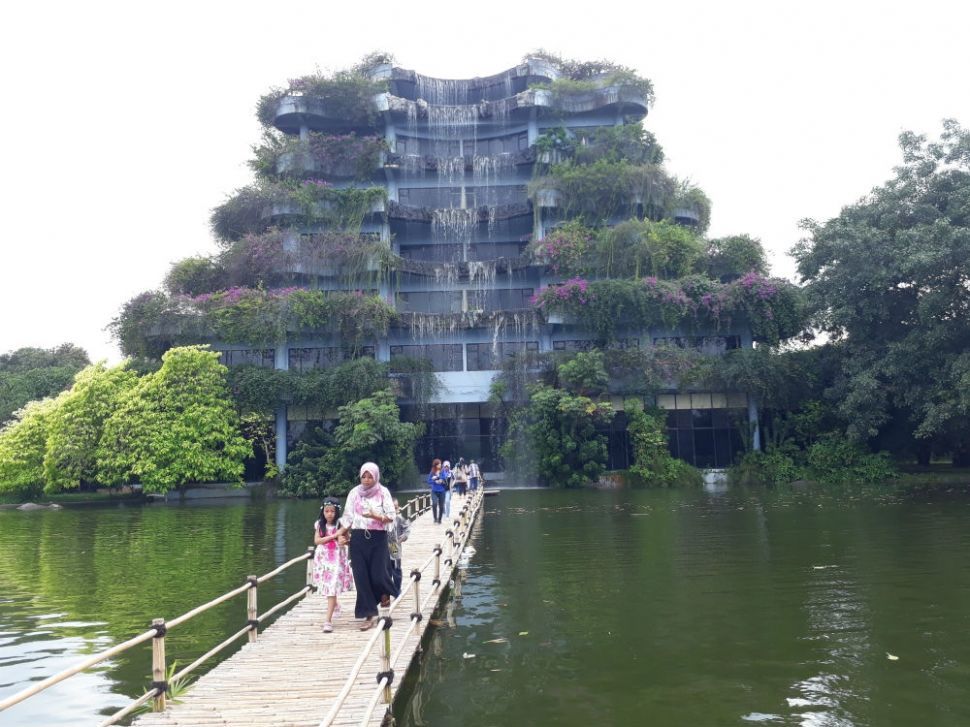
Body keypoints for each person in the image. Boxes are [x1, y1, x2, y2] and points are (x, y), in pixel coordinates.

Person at [341, 462, 396, 630]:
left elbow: (391, 516)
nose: (366, 480)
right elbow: (347, 517)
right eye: (363, 476)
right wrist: (341, 535)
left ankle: (384, 592)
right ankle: (369, 614)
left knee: (378, 574)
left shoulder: (382, 492)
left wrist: (374, 515)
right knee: (361, 577)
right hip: (358, 538)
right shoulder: (354, 493)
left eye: (370, 476)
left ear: (376, 476)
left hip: (378, 537)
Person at [312, 498, 353, 633]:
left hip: (336, 559)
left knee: (332, 587)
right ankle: (335, 605)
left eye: (332, 511)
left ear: (337, 512)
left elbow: (348, 540)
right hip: (323, 559)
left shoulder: (341, 525)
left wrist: (343, 540)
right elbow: (317, 541)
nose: (329, 514)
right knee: (326, 586)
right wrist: (333, 536)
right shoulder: (319, 525)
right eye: (327, 511)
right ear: (323, 512)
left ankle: (327, 621)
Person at [387, 498, 411, 597]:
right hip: (382, 546)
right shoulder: (382, 519)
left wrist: (403, 538)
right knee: (386, 569)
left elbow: (407, 529)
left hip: (393, 545)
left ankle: (397, 590)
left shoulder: (399, 518)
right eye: (392, 508)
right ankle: (387, 590)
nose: (395, 510)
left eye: (396, 507)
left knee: (396, 568)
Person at [428, 459, 447, 523]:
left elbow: (445, 478)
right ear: (436, 465)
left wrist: (441, 480)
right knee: (434, 503)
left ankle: (440, 519)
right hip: (434, 491)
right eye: (439, 464)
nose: (440, 465)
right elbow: (429, 481)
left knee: (441, 506)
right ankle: (435, 518)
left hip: (442, 491)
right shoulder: (432, 472)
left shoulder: (442, 471)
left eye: (440, 464)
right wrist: (434, 480)